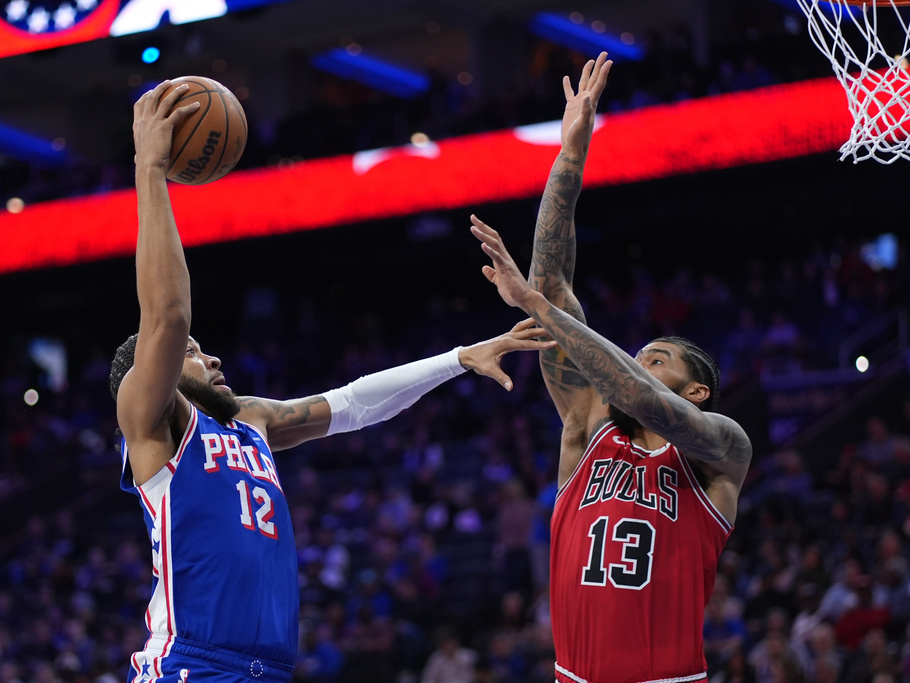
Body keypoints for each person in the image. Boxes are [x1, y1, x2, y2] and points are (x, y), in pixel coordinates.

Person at [111, 80, 555, 683]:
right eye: (190, 354)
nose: (209, 357)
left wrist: (456, 358)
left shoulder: (251, 420)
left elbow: (352, 405)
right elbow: (167, 316)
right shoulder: (154, 422)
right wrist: (151, 168)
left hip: (267, 669)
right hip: (191, 666)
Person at [469, 53, 752, 683]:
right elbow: (550, 278)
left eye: (658, 356)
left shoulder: (721, 448)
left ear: (697, 387)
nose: (639, 357)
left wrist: (544, 308)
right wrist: (570, 153)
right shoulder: (588, 422)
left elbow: (644, 396)